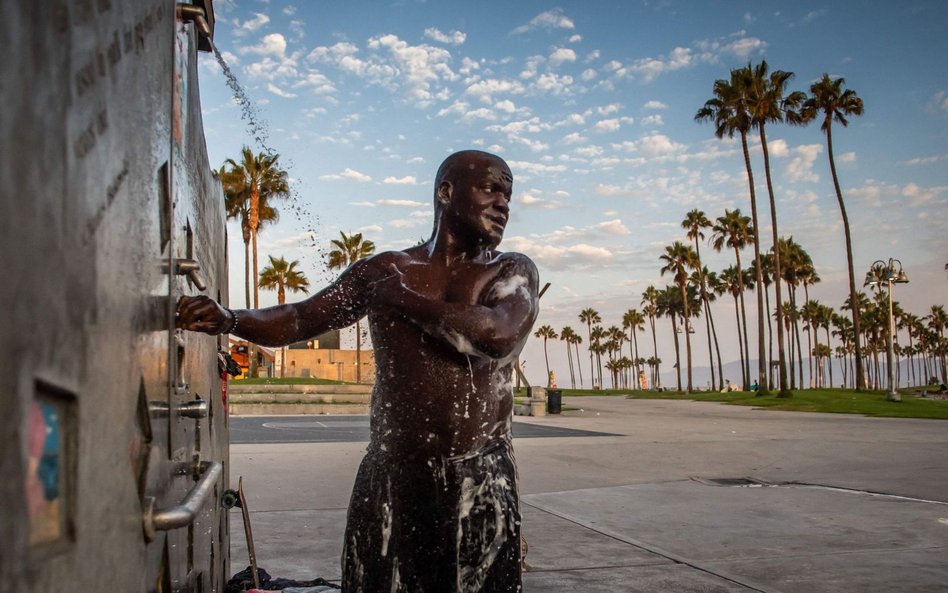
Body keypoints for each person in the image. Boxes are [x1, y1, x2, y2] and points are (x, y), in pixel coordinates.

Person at [176, 150, 539, 593]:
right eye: (491, 188)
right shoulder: (385, 270)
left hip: (481, 477)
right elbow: (300, 318)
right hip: (393, 476)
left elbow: (498, 335)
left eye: (508, 193)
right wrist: (230, 319)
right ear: (446, 192)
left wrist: (403, 301)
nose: (503, 202)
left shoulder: (509, 269)